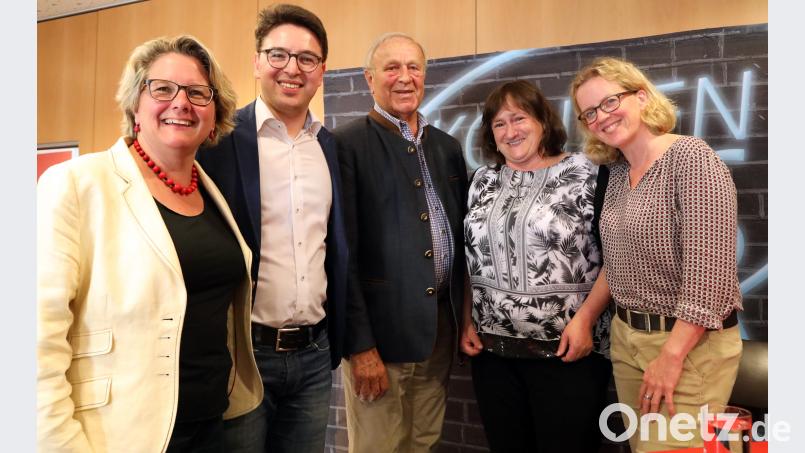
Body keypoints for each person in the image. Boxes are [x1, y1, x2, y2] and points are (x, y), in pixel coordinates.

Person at [37, 35, 262, 452]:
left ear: (215, 114)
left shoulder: (210, 191)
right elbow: (35, 335)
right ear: (135, 105)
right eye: (162, 88)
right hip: (121, 432)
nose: (181, 103)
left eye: (198, 93)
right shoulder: (77, 184)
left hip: (212, 422)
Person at [195, 4, 347, 453]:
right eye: (278, 55)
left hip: (315, 356)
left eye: (307, 58)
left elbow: (337, 247)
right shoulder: (218, 141)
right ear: (257, 62)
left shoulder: (329, 147)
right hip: (244, 356)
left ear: (321, 71)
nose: (292, 69)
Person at [571, 56, 743, 452]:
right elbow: (618, 263)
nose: (601, 117)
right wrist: (588, 318)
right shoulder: (618, 172)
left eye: (610, 102)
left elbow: (710, 280)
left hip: (688, 347)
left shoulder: (692, 158)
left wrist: (671, 355)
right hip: (627, 340)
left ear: (642, 96)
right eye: (590, 112)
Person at [459, 80, 612, 452]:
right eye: (499, 124)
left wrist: (586, 320)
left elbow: (617, 258)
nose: (510, 131)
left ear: (543, 121)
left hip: (568, 352)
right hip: (492, 356)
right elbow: (469, 257)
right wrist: (466, 319)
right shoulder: (481, 181)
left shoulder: (589, 173)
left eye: (519, 118)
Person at [333, 32, 468, 452]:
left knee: (424, 442)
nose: (404, 77)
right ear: (369, 79)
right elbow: (341, 257)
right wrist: (360, 347)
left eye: (413, 67)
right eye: (391, 68)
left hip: (438, 334)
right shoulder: (345, 145)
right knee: (379, 446)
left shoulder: (446, 147)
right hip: (380, 342)